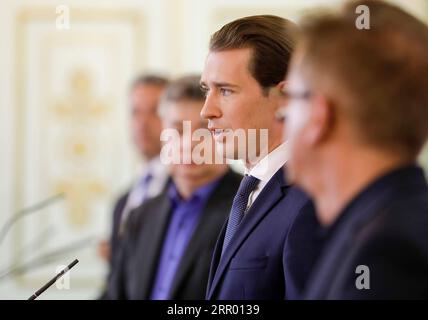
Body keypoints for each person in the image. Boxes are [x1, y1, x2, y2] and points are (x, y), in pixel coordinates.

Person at [280, 0, 428, 299]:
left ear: (319, 116)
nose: (280, 115)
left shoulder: (387, 251)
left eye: (291, 98)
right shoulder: (375, 222)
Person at [200, 15, 321, 300]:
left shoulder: (311, 201)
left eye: (226, 91)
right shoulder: (250, 189)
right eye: (207, 90)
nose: (207, 110)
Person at [106, 75, 242, 299]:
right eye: (178, 130)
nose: (189, 143)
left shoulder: (247, 208)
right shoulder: (140, 217)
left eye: (203, 131)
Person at [99, 74, 170, 298]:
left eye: (155, 111)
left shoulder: (190, 192)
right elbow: (115, 286)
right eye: (135, 112)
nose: (143, 122)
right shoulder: (122, 202)